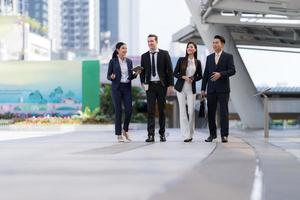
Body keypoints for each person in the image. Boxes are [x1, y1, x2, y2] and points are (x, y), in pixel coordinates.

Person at [201, 35, 236, 143]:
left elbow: (232, 71)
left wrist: (220, 74)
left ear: (222, 44)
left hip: (223, 89)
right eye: (213, 43)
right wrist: (203, 88)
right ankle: (212, 134)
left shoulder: (228, 56)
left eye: (217, 42)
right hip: (211, 89)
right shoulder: (209, 57)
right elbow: (206, 73)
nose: (214, 45)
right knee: (211, 113)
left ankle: (224, 135)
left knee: (223, 113)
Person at [140, 34, 174, 142]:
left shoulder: (164, 54)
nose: (150, 43)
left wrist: (170, 85)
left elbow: (170, 70)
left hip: (161, 85)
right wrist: (142, 82)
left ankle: (162, 134)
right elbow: (142, 72)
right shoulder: (144, 56)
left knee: (161, 110)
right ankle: (150, 135)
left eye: (152, 41)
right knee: (150, 111)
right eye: (148, 41)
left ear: (156, 42)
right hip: (150, 86)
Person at [107, 42, 141, 142]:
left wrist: (136, 74)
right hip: (116, 88)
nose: (125, 50)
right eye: (123, 48)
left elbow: (130, 76)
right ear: (118, 50)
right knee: (118, 111)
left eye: (126, 48)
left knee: (129, 110)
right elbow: (108, 76)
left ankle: (125, 130)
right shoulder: (112, 61)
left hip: (126, 87)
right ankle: (118, 134)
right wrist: (111, 77)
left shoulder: (129, 61)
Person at [174, 41, 202, 142]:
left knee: (191, 111)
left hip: (191, 90)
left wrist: (193, 78)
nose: (189, 48)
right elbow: (175, 73)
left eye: (191, 47)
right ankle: (186, 135)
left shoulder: (197, 62)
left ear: (195, 49)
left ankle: (191, 133)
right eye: (188, 47)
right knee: (183, 111)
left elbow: (200, 76)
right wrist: (183, 76)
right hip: (180, 89)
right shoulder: (181, 60)